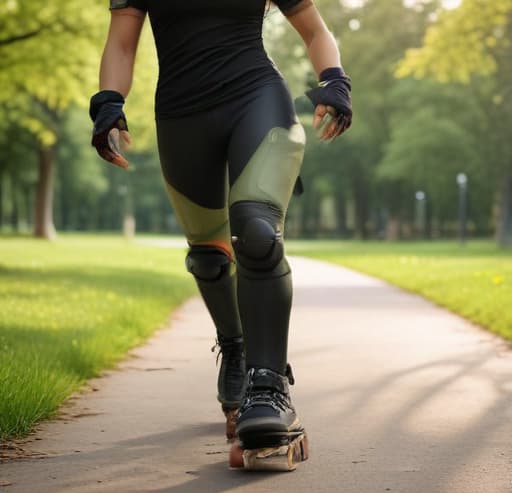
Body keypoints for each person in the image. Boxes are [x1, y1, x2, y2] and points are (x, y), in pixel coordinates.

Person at [90, 0, 352, 469]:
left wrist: (333, 79)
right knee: (208, 257)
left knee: (257, 232)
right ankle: (234, 348)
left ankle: (269, 385)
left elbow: (315, 31)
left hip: (256, 98)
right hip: (180, 116)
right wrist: (109, 102)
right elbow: (122, 42)